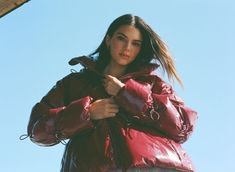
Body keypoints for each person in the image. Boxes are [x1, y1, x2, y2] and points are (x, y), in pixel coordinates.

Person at [27, 14, 197, 172]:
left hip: (151, 168)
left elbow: (182, 127)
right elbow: (37, 131)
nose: (127, 48)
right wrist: (86, 113)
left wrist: (128, 94)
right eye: (121, 39)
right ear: (109, 40)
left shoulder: (152, 83)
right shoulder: (74, 83)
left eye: (135, 43)